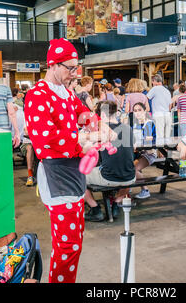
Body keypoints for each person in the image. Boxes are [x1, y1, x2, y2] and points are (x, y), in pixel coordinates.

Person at [24, 38, 108, 283]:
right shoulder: (38, 95)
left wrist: (99, 125)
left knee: (72, 244)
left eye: (76, 68)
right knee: (67, 246)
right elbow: (44, 139)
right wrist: (83, 137)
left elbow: (83, 113)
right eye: (70, 68)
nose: (75, 73)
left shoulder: (65, 92)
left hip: (72, 171)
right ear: (52, 65)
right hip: (57, 172)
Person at [84, 100, 135, 221]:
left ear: (102, 115)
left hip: (108, 177)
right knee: (126, 172)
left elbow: (86, 150)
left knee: (77, 175)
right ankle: (117, 203)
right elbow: (134, 148)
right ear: (116, 112)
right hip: (130, 177)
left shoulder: (100, 132)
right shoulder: (128, 129)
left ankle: (95, 208)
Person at [132, 102, 157, 199]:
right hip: (138, 154)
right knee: (126, 166)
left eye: (139, 110)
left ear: (144, 111)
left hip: (149, 153)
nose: (137, 113)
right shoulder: (135, 124)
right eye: (135, 111)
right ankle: (128, 187)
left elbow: (148, 140)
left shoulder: (149, 123)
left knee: (133, 169)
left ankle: (145, 190)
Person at [146, 74, 172, 145]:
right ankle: (167, 154)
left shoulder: (155, 88)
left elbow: (146, 98)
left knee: (160, 138)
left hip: (158, 114)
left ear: (155, 81)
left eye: (152, 82)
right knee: (167, 138)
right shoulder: (167, 91)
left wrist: (147, 108)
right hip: (167, 114)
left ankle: (159, 155)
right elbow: (170, 105)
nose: (152, 83)